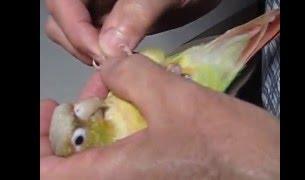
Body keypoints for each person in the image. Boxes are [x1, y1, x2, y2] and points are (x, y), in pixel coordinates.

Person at [41, 0, 280, 179]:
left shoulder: (113, 113)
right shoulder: (131, 149)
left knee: (262, 28)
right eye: (80, 136)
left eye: (73, 110)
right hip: (227, 85)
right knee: (261, 30)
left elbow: (153, 59)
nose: (83, 110)